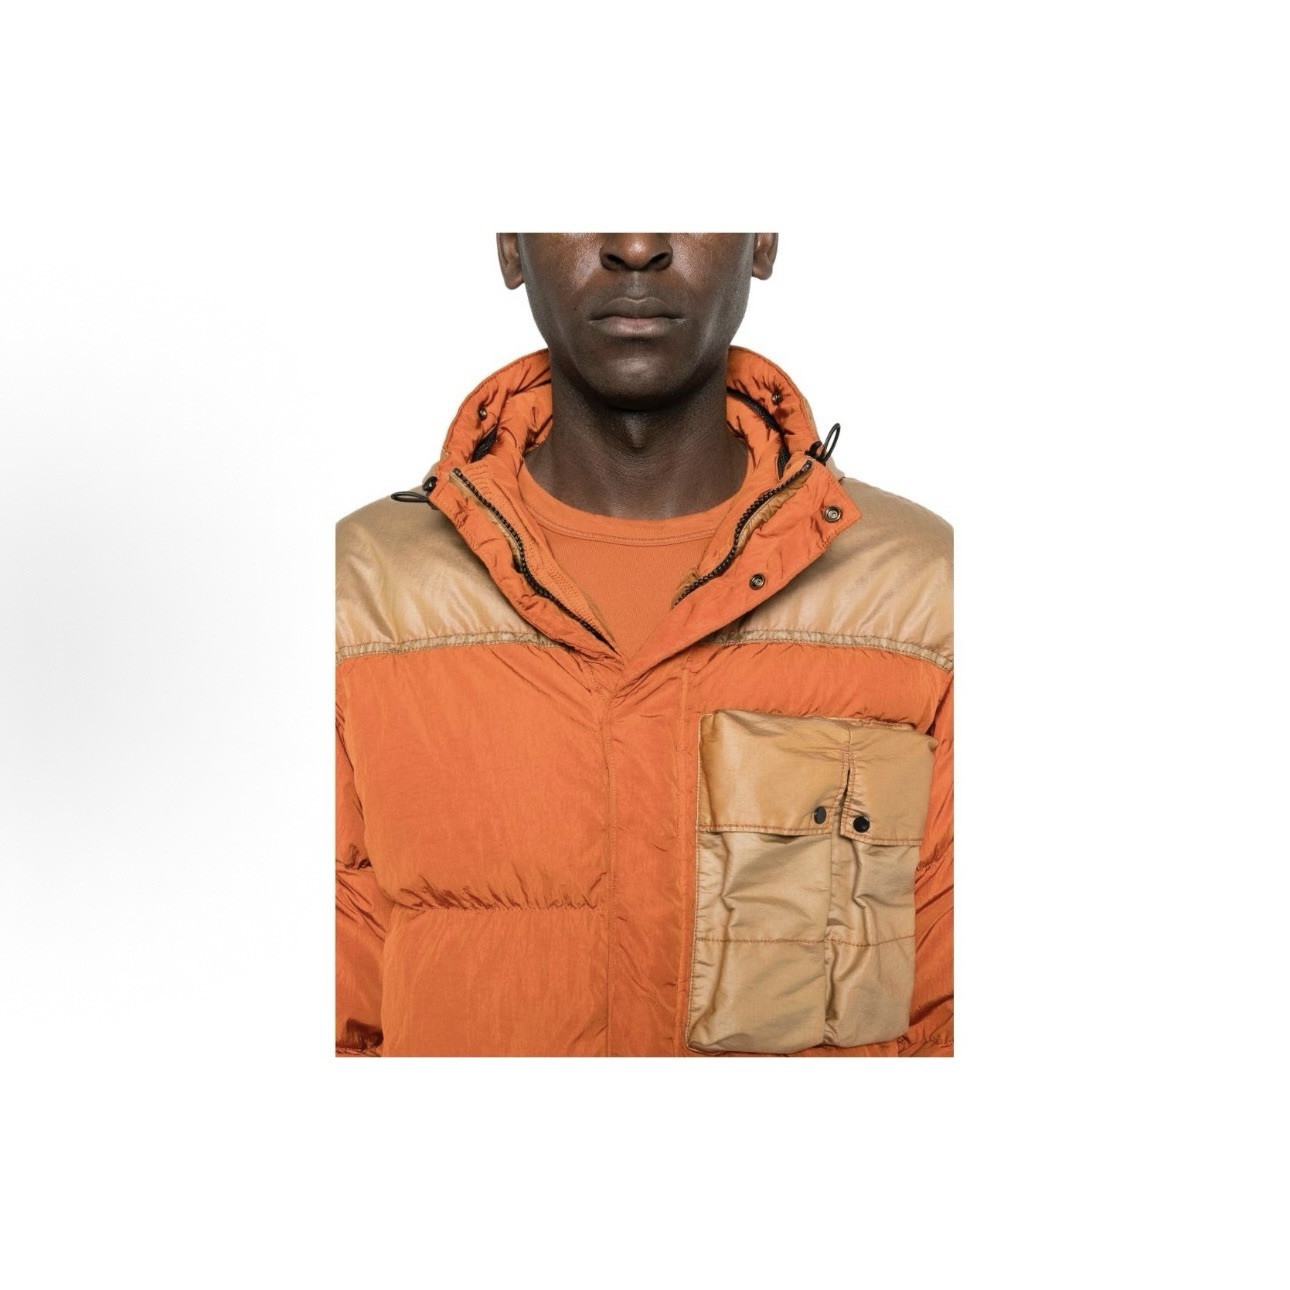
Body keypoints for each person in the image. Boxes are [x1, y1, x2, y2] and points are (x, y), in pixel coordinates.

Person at [336, 233, 953, 1057]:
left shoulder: (920, 597)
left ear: (762, 241)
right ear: (512, 249)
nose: (635, 246)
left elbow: (951, 1012)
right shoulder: (363, 592)